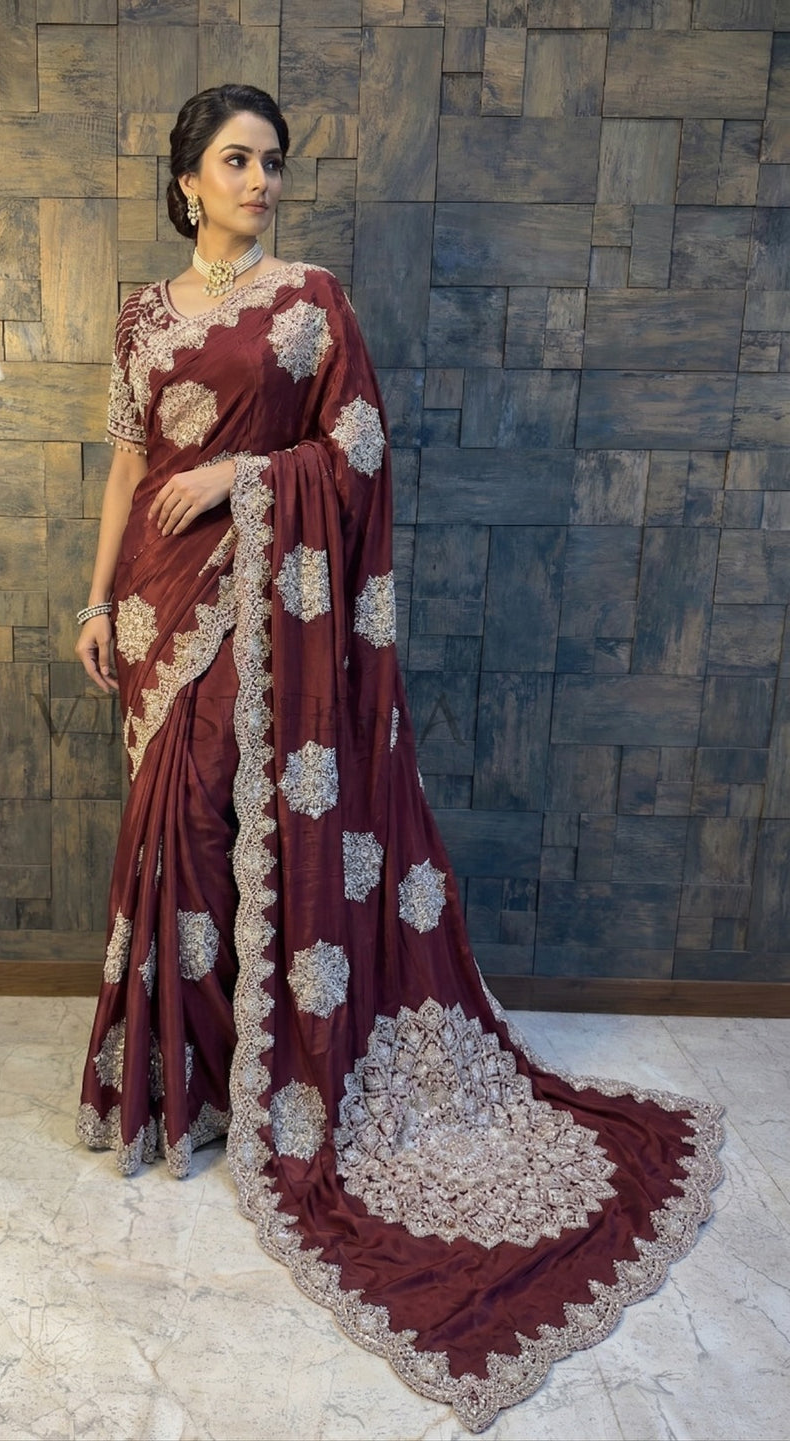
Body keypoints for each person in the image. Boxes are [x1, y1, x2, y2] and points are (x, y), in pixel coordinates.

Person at [74, 83, 723, 1433]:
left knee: (214, 814)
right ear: (186, 181)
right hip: (152, 605)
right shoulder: (140, 317)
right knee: (172, 828)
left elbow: (356, 452)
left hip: (265, 604)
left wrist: (243, 480)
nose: (262, 180)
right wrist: (91, 600)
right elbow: (128, 467)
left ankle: (261, 1074)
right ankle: (192, 1084)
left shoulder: (312, 303)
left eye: (272, 161)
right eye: (236, 161)